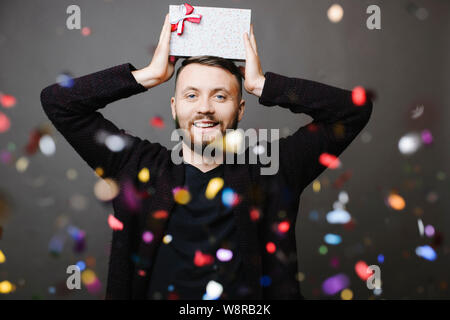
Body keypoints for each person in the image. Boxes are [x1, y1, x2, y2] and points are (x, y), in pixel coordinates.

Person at [40, 13, 373, 300]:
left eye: (220, 96)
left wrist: (261, 84)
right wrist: (149, 76)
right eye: (191, 95)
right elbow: (59, 103)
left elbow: (352, 111)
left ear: (240, 108)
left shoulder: (273, 169)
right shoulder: (135, 166)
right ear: (174, 106)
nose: (204, 108)